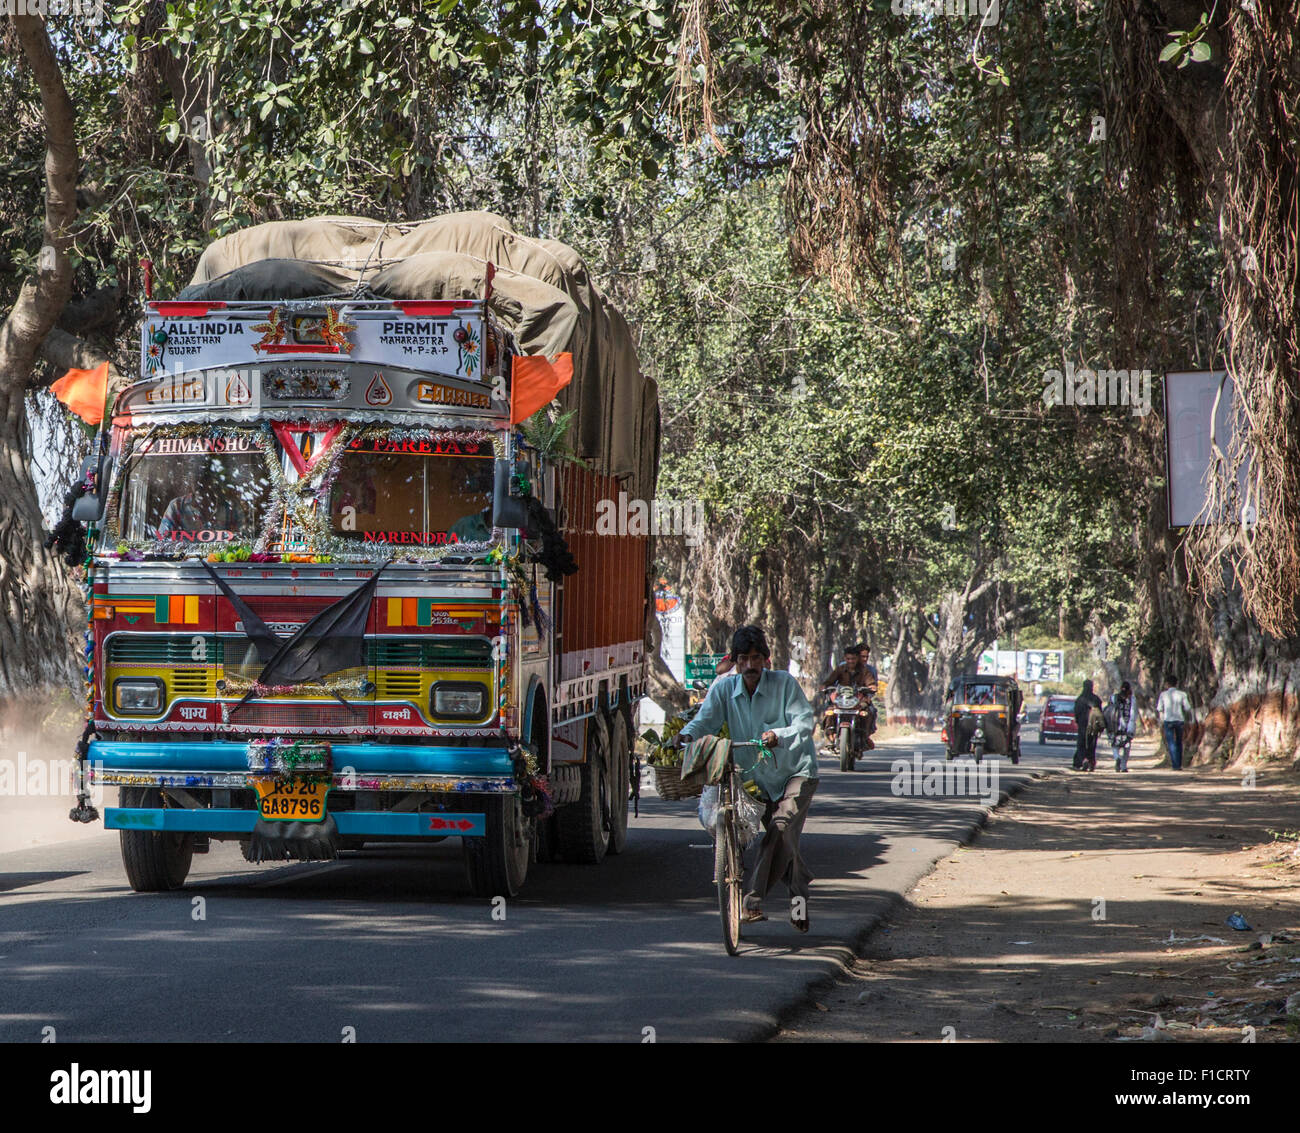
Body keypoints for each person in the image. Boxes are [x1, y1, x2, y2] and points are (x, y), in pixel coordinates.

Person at [676, 624, 818, 933]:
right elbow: (705, 720)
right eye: (743, 659)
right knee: (785, 847)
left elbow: (806, 724)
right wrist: (685, 736)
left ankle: (751, 901)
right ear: (735, 661)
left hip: (796, 774)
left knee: (779, 831)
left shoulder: (784, 684)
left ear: (766, 660)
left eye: (756, 658)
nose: (750, 665)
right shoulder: (724, 689)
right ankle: (800, 905)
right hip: (755, 780)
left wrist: (777, 734)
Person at [819, 642, 879, 746]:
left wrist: (871, 687)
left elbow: (870, 682)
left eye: (853, 659)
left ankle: (865, 735)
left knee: (868, 712)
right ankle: (830, 733)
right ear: (845, 658)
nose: (851, 661)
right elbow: (830, 680)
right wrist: (825, 686)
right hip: (841, 699)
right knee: (829, 711)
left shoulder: (865, 670)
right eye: (848, 659)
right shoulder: (841, 669)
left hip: (859, 700)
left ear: (857, 659)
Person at [1156, 677, 1193, 771]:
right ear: (1176, 684)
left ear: (1167, 684)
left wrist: (1161, 720)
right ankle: (1179, 764)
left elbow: (1159, 708)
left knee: (1171, 742)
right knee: (1179, 742)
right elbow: (1188, 708)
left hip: (1168, 720)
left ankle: (1174, 764)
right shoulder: (1182, 694)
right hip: (1179, 720)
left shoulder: (1163, 694)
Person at [1073, 679, 1104, 771]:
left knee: (1081, 744)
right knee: (1092, 745)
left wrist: (1079, 722)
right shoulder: (1096, 699)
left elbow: (1076, 713)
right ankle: (1091, 762)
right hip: (1094, 726)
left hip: (1083, 725)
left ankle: (1082, 760)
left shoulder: (1080, 699)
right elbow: (1100, 713)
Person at [1110, 681, 1137, 772]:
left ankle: (1117, 757)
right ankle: (1124, 766)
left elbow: (1110, 711)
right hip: (1128, 725)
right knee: (1127, 745)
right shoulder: (1132, 699)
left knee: (1115, 744)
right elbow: (1133, 713)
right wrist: (1131, 726)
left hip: (1115, 725)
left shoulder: (1114, 697)